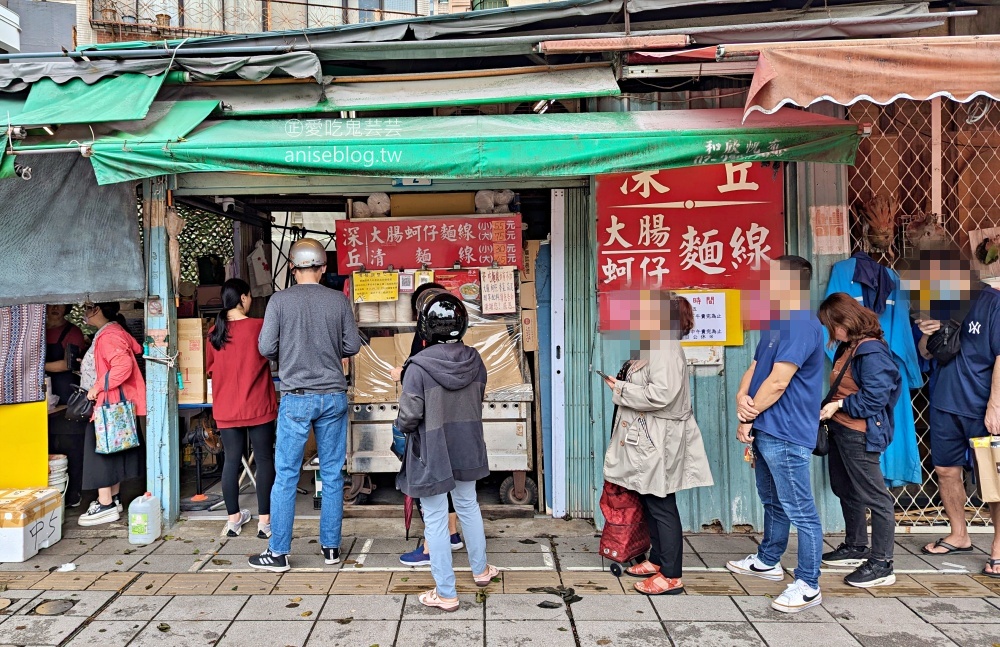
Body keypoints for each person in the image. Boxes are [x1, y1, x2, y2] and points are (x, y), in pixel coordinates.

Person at [249, 238, 361, 572]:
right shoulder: (337, 302)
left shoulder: (279, 302)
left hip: (296, 397)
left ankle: (279, 552)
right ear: (324, 268)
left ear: (291, 268)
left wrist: (290, 351)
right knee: (332, 473)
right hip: (333, 395)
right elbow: (352, 345)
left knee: (285, 474)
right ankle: (330, 549)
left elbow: (266, 346)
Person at [728, 256, 826, 613]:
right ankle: (768, 560)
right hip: (766, 427)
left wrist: (748, 412)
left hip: (786, 432)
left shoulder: (801, 324)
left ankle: (808, 584)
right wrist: (742, 402)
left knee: (801, 510)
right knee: (772, 500)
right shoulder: (776, 322)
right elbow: (755, 369)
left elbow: (780, 380)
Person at [602, 292, 713, 595]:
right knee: (650, 499)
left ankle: (672, 576)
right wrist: (622, 386)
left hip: (659, 437)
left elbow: (662, 394)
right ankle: (659, 560)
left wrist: (622, 390)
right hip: (649, 435)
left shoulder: (664, 347)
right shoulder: (653, 345)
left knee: (662, 503)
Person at [394, 289, 497, 611]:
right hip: (468, 442)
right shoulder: (475, 359)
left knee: (436, 518)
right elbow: (476, 400)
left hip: (432, 449)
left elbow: (408, 417)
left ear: (425, 327)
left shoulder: (417, 367)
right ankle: (480, 570)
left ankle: (446, 592)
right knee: (468, 505)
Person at [919, 269, 1000, 577]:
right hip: (944, 402)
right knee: (945, 470)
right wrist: (928, 332)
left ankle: (998, 547)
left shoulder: (992, 303)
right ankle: (959, 534)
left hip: (982, 406)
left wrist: (996, 404)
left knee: (993, 480)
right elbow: (925, 352)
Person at [817, 293, 902, 588]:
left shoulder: (872, 352)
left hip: (860, 433)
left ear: (845, 321)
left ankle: (882, 563)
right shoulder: (849, 346)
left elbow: (875, 397)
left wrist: (839, 406)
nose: (831, 332)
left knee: (876, 498)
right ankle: (855, 545)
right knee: (845, 488)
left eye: (832, 326)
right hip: (841, 429)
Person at [392, 282, 463, 566]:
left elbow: (418, 372)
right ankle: (453, 533)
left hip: (428, 420)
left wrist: (403, 372)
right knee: (452, 480)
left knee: (428, 481)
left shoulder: (424, 337)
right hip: (453, 418)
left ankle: (431, 549)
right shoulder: (462, 347)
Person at [206, 279, 278, 539]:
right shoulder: (259, 326)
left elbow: (210, 368)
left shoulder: (215, 332)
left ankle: (234, 519)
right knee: (264, 459)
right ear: (245, 298)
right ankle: (265, 521)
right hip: (258, 403)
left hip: (226, 407)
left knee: (231, 462)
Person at [78, 302, 146, 526]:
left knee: (100, 452)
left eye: (87, 307)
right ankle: (113, 499)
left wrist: (97, 387)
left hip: (108, 402)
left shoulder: (108, 336)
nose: (83, 312)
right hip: (115, 403)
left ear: (97, 310)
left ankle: (105, 503)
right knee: (112, 449)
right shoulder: (113, 332)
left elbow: (122, 366)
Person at [45, 304, 87, 508]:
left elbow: (68, 363)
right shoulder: (36, 331)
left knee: (72, 447)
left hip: (68, 398)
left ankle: (72, 495)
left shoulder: (73, 332)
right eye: (51, 305)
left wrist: (36, 367)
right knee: (47, 446)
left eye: (59, 305)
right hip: (42, 400)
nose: (55, 308)